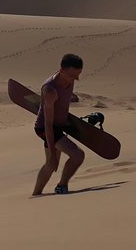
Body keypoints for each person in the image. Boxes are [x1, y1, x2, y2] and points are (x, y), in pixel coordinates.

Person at [32, 54, 86, 195]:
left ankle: (36, 194)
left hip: (58, 126)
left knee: (50, 165)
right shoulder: (50, 91)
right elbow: (48, 124)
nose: (75, 79)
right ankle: (62, 186)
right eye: (72, 76)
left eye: (78, 75)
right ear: (61, 71)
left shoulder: (69, 78)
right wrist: (52, 154)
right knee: (77, 155)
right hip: (46, 128)